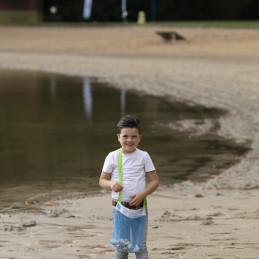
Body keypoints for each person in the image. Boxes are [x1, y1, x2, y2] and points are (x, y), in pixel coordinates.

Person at [99, 114, 159, 259]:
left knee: (141, 247)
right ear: (118, 137)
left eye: (133, 136)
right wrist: (111, 184)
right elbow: (102, 180)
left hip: (140, 207)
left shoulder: (143, 156)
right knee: (121, 248)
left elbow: (155, 181)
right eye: (125, 136)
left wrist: (142, 194)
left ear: (140, 137)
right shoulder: (112, 156)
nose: (129, 140)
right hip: (119, 208)